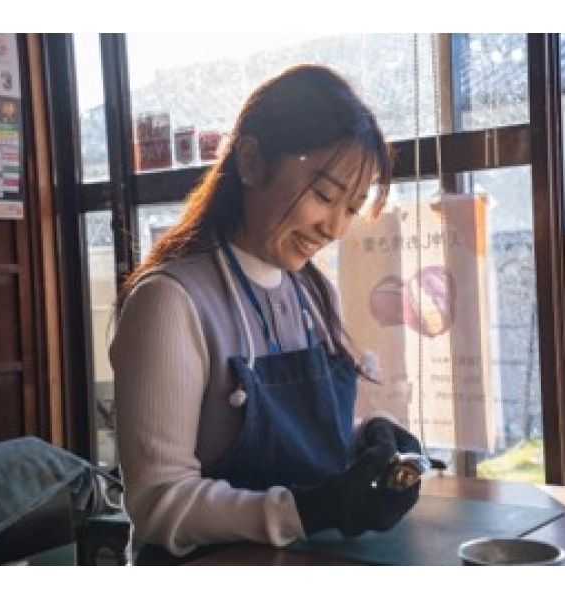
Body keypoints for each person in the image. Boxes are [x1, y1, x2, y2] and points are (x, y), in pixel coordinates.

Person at [110, 64, 423, 560]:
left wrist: (370, 439)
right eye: (324, 196)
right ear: (252, 162)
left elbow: (304, 443)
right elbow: (158, 502)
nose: (334, 228)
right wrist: (309, 511)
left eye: (352, 207)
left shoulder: (315, 294)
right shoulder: (169, 302)